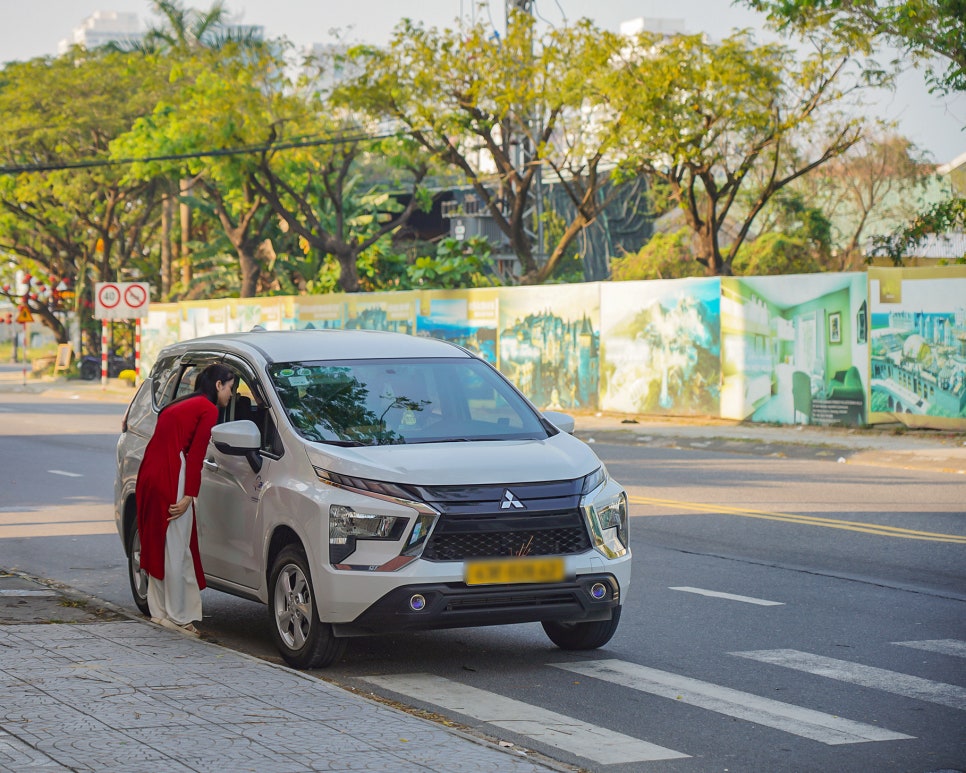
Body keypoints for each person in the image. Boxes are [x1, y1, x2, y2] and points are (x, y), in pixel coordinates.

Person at [135, 363, 234, 636]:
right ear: (218, 385)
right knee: (177, 548)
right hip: (171, 473)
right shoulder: (208, 409)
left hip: (150, 472)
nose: (230, 394)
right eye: (230, 388)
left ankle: (160, 612)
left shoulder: (181, 403)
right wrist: (190, 494)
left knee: (158, 542)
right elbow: (195, 455)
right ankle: (179, 618)